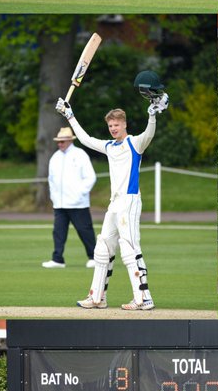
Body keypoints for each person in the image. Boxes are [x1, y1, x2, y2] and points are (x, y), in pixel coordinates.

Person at [54, 92, 168, 310]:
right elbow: (86, 139)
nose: (113, 128)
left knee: (130, 248)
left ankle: (143, 298)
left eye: (116, 125)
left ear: (124, 124)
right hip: (114, 204)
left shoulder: (135, 144)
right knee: (103, 248)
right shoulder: (109, 147)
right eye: (111, 126)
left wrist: (152, 115)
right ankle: (97, 297)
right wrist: (69, 115)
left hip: (130, 201)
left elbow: (149, 134)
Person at [41, 126, 97, 270]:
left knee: (85, 230)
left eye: (62, 141)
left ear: (70, 141)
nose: (60, 144)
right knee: (58, 232)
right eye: (58, 141)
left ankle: (94, 257)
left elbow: (90, 177)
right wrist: (53, 197)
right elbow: (51, 180)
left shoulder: (80, 155)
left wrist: (80, 193)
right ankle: (57, 259)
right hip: (60, 204)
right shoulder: (55, 157)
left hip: (78, 203)